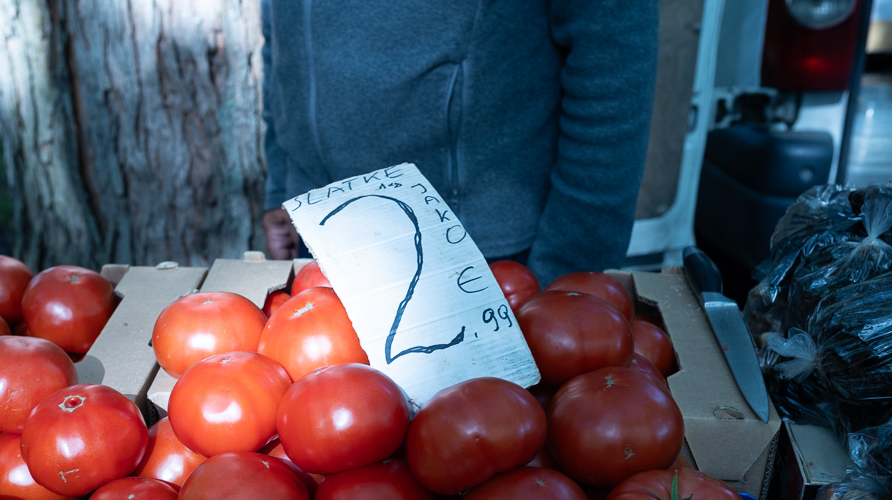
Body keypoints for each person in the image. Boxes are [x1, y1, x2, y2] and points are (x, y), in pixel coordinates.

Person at [259, 0, 659, 287]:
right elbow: (280, 37)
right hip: (320, 235)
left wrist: (568, 271)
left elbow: (613, 61)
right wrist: (283, 185)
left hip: (479, 264)